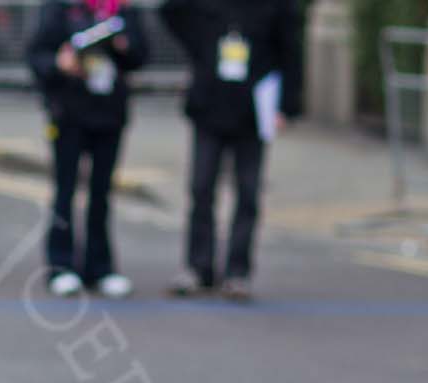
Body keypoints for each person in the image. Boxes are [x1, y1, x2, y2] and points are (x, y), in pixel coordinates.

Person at [160, 0, 301, 302]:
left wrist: (287, 107)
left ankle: (238, 272)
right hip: (209, 105)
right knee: (201, 189)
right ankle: (198, 267)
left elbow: (290, 50)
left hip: (252, 111)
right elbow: (171, 12)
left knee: (247, 193)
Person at [27, 0, 149, 298]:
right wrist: (59, 63)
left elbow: (142, 56)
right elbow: (36, 56)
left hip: (109, 115)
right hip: (69, 114)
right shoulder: (61, 8)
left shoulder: (123, 10)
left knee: (101, 194)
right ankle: (61, 266)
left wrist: (123, 46)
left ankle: (100, 267)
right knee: (65, 191)